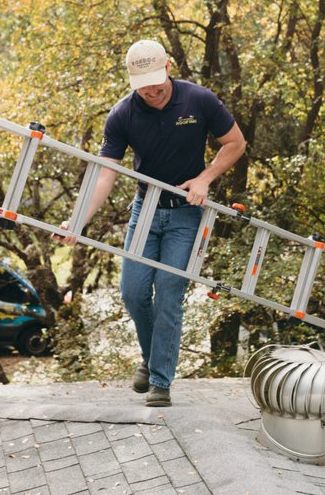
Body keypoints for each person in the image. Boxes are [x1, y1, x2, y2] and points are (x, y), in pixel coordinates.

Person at [54, 39, 246, 407]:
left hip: (186, 212)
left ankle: (160, 380)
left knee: (169, 292)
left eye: (157, 81)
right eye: (143, 85)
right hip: (145, 208)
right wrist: (77, 222)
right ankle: (150, 357)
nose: (153, 91)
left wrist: (205, 178)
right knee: (133, 292)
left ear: (169, 68)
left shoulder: (198, 100)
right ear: (131, 80)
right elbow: (105, 175)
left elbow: (235, 143)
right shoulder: (122, 115)